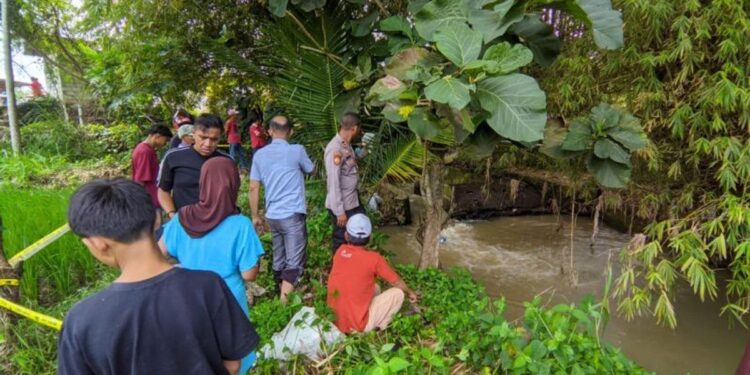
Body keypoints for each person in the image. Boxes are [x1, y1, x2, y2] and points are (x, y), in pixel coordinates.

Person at [58, 179, 259, 375]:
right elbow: (233, 365)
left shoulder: (81, 320)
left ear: (96, 244)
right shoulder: (208, 286)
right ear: (157, 219)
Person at [159, 157, 264, 374]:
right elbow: (248, 274)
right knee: (232, 362)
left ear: (203, 183)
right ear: (234, 184)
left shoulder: (182, 218)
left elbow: (157, 254)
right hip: (228, 302)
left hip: (187, 300)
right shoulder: (240, 225)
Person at [249, 115, 314, 303]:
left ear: (269, 131)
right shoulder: (297, 150)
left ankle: (280, 293)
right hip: (292, 214)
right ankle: (282, 307)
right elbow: (310, 170)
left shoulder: (259, 155)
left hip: (272, 216)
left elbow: (253, 187)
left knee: (279, 257)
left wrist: (255, 215)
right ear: (291, 132)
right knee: (294, 262)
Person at [327, 214, 418, 334]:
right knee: (398, 293)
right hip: (357, 327)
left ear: (346, 235)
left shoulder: (340, 251)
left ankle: (359, 321)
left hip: (333, 322)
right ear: (370, 237)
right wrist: (410, 292)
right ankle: (379, 328)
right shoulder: (374, 258)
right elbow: (396, 281)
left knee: (376, 288)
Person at [158, 113, 231, 216]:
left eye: (214, 139)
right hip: (183, 223)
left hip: (218, 224)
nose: (208, 144)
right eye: (203, 137)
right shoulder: (173, 157)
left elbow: (230, 193)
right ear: (193, 134)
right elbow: (163, 191)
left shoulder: (226, 161)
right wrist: (172, 214)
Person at [325, 112, 365, 253]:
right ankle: (338, 270)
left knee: (359, 234)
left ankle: (353, 268)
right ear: (354, 128)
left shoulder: (346, 145)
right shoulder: (335, 149)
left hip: (352, 201)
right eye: (359, 129)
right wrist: (339, 212)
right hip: (343, 205)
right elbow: (333, 182)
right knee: (341, 240)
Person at [131, 125, 172, 209]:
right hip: (149, 200)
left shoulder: (145, 148)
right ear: (157, 136)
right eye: (166, 140)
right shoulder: (145, 151)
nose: (165, 143)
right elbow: (140, 179)